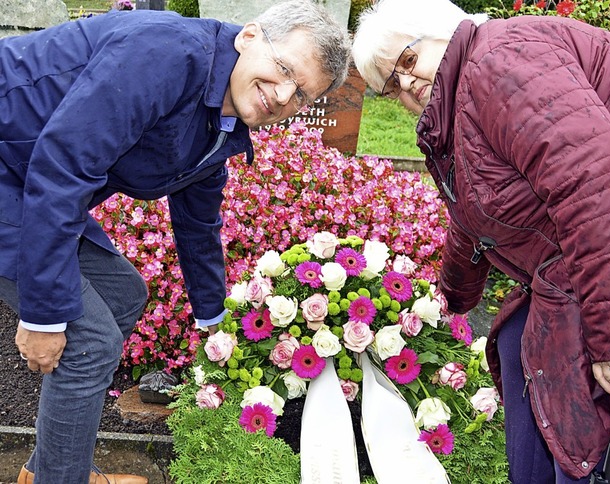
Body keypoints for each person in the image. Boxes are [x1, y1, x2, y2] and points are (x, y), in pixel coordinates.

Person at [0, 1, 350, 482]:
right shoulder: (167, 55)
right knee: (91, 340)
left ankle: (51, 471)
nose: (284, 95)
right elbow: (63, 166)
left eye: (302, 96)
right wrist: (42, 315)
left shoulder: (222, 119)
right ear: (249, 37)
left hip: (30, 180)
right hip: (20, 171)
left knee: (125, 295)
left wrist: (215, 320)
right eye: (285, 69)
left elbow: (197, 221)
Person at [353, 0, 610, 482]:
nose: (406, 85)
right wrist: (451, 297)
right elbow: (475, 210)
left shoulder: (500, 60)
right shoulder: (464, 99)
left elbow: (596, 185)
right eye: (391, 87)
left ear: (441, 32)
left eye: (405, 62)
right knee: (514, 337)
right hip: (577, 259)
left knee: (587, 391)